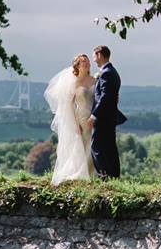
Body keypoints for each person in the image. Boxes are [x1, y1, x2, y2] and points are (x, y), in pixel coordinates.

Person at [44, 54, 96, 185]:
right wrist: (75, 123)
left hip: (95, 117)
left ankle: (91, 175)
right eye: (83, 62)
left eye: (88, 61)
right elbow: (69, 105)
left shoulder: (95, 80)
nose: (87, 63)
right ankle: (81, 174)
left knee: (93, 146)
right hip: (82, 119)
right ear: (77, 66)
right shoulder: (74, 83)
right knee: (84, 146)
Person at [86, 45, 127, 178]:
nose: (93, 59)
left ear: (99, 54)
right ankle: (113, 177)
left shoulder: (106, 73)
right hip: (109, 117)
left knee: (97, 147)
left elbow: (105, 97)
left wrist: (94, 115)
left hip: (103, 118)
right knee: (109, 149)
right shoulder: (111, 71)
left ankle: (104, 177)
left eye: (94, 56)